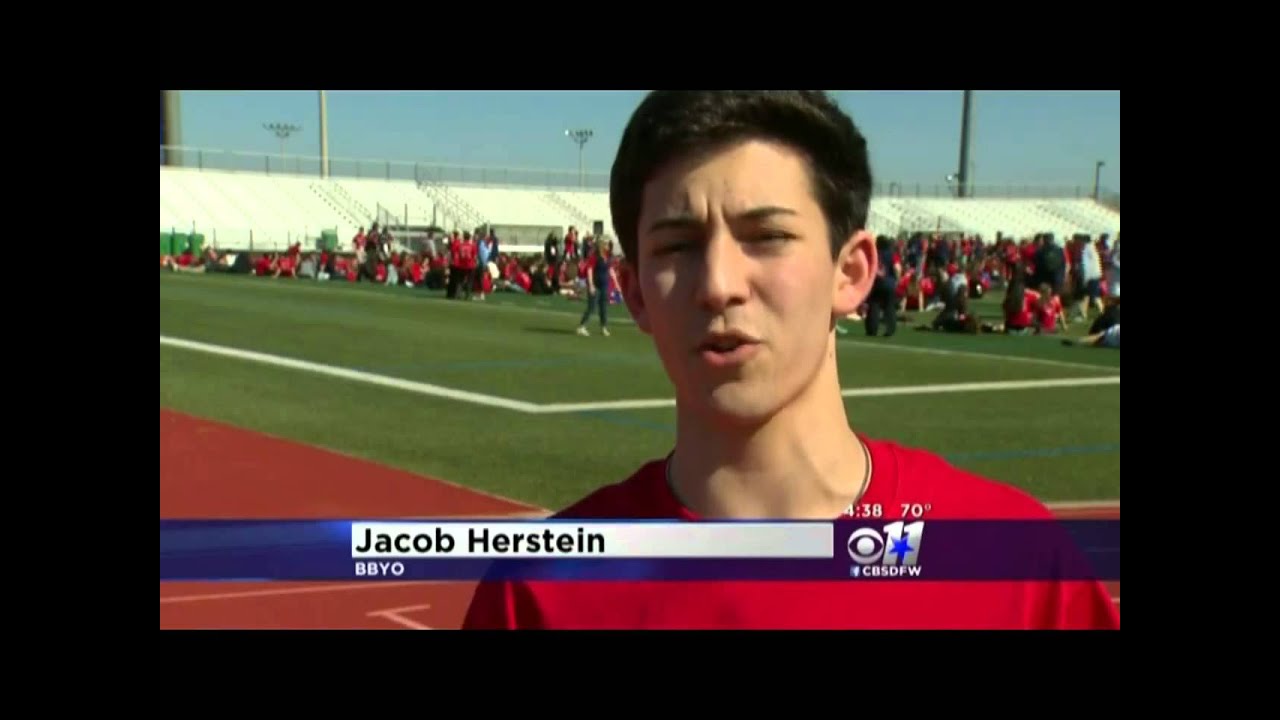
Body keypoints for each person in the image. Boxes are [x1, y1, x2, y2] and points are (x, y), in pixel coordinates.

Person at [462, 91, 1119, 630]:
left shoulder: (1016, 567)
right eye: (678, 246)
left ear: (852, 271)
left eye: (768, 236)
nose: (719, 282)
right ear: (633, 292)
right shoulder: (541, 594)